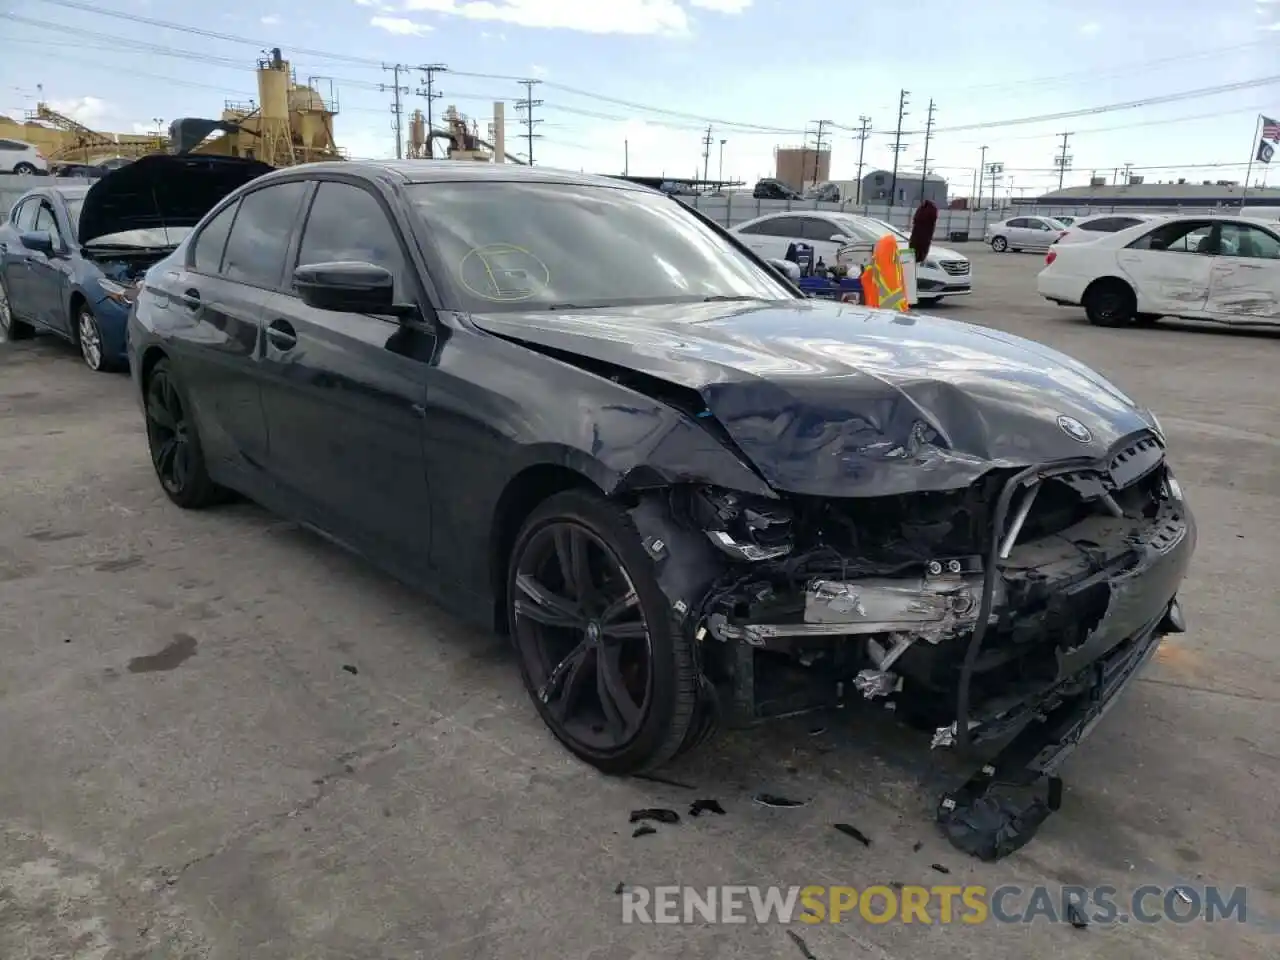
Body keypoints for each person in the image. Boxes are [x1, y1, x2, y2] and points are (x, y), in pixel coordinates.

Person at [860, 233, 908, 311]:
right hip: (899, 305)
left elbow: (865, 278)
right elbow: (903, 283)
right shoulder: (897, 265)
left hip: (880, 306)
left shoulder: (875, 264)